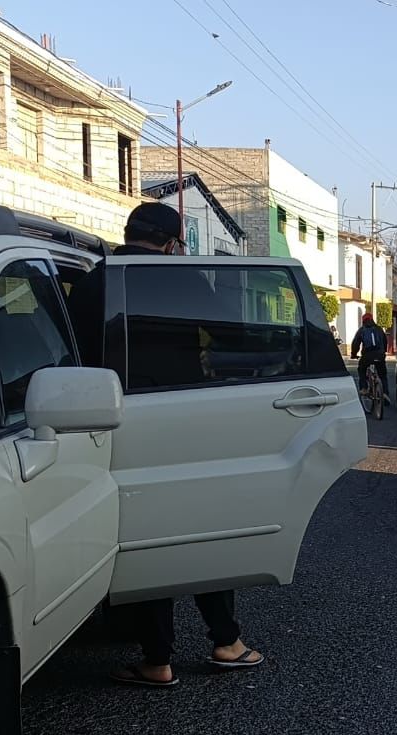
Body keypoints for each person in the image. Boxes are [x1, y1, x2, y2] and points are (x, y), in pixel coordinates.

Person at [107, 203, 264, 687]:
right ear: (173, 244)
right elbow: (234, 337)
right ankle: (227, 641)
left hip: (114, 423)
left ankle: (157, 660)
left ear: (128, 233)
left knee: (146, 540)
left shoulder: (100, 281)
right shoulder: (188, 281)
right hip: (185, 421)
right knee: (201, 532)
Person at [350, 312, 388, 401]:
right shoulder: (379, 329)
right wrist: (384, 351)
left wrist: (353, 354)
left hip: (367, 356)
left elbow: (356, 343)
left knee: (361, 369)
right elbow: (385, 341)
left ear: (363, 321)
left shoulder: (362, 330)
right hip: (380, 355)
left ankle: (363, 388)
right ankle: (385, 393)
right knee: (382, 375)